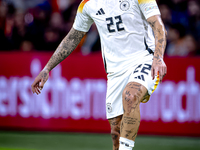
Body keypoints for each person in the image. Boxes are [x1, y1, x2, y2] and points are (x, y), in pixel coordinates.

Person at [31, 0, 167, 149]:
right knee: (116, 133)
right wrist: (47, 68)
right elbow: (73, 37)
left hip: (144, 60)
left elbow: (159, 26)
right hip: (115, 72)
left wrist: (158, 58)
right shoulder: (87, 4)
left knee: (130, 95)